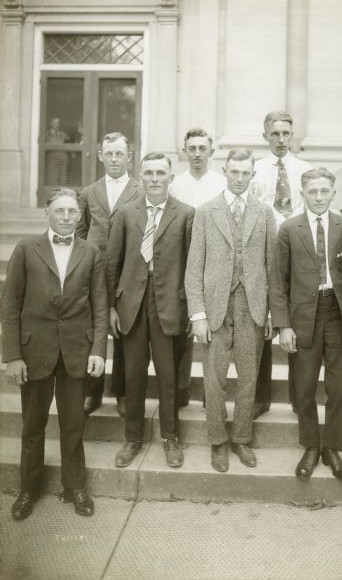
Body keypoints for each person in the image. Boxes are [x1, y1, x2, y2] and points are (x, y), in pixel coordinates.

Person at [2, 188, 108, 520]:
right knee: (32, 426)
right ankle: (27, 489)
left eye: (72, 212)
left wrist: (99, 350)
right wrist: (12, 356)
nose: (65, 217)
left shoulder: (90, 252)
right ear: (47, 213)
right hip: (35, 352)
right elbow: (10, 307)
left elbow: (101, 307)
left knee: (73, 425)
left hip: (76, 351)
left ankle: (75, 486)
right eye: (59, 211)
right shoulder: (25, 249)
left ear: (80, 216)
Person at [269, 168, 342, 480]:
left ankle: (332, 448)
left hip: (338, 316)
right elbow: (278, 282)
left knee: (337, 387)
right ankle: (311, 445)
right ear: (303, 194)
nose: (319, 197)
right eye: (313, 192)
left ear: (333, 194)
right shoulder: (289, 229)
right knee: (305, 386)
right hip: (303, 317)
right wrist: (283, 325)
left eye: (324, 192)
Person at [185, 149, 276, 472]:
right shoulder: (206, 212)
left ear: (253, 175)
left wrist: (269, 314)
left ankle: (241, 438)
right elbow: (194, 268)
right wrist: (197, 315)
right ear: (225, 171)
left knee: (248, 378)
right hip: (215, 308)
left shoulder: (264, 213)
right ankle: (218, 441)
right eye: (234, 172)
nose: (239, 178)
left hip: (252, 306)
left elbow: (271, 268)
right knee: (215, 378)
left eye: (245, 173)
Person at [105, 152, 194, 469]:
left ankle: (170, 438)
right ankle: (133, 438)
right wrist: (111, 309)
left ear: (171, 177)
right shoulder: (126, 213)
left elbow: (191, 265)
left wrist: (190, 308)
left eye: (161, 173)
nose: (155, 178)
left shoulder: (185, 214)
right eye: (149, 173)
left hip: (168, 304)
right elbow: (112, 263)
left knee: (168, 375)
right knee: (133, 374)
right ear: (140, 177)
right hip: (131, 304)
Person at [250, 110, 313, 419]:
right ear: (265, 136)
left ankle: (298, 397)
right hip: (263, 254)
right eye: (274, 133)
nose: (280, 139)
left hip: (297, 255)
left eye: (285, 133)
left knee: (296, 324)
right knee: (262, 323)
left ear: (292, 135)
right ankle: (260, 397)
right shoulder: (254, 170)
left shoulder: (305, 169)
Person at [77, 132, 142, 417]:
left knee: (125, 333)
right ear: (101, 155)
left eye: (119, 153)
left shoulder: (140, 191)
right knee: (95, 331)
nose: (114, 159)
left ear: (129, 156)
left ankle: (122, 393)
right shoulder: (89, 192)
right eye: (109, 153)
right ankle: (93, 392)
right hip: (96, 274)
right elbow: (81, 230)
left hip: (127, 274)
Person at [170, 128, 226, 407]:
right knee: (182, 328)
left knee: (211, 328)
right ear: (184, 150)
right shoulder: (175, 184)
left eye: (202, 148)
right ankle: (181, 390)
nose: (197, 154)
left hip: (214, 262)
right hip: (181, 262)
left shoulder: (222, 183)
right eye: (192, 148)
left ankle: (210, 393)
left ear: (211, 152)